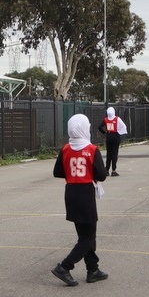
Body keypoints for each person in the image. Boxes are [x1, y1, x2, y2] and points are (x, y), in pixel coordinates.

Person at [51, 114, 108, 287]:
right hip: (85, 193)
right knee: (88, 237)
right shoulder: (91, 149)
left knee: (84, 234)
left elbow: (57, 172)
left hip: (71, 192)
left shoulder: (66, 149)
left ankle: (93, 269)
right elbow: (102, 175)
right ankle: (64, 266)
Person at [98, 106, 128, 176]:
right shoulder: (117, 119)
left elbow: (99, 127)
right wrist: (120, 131)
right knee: (115, 153)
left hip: (109, 136)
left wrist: (104, 132)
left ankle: (107, 169)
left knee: (109, 153)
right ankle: (113, 170)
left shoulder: (105, 120)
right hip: (115, 136)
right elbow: (123, 126)